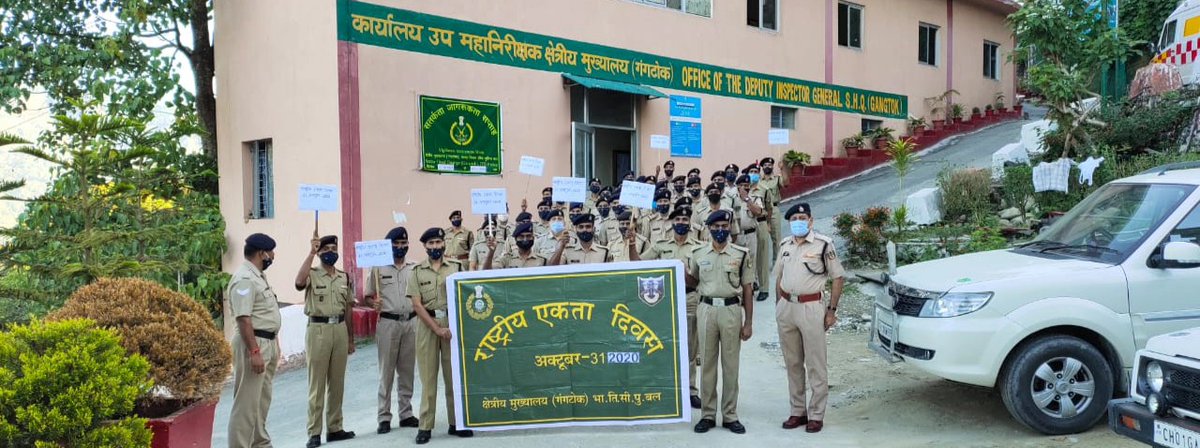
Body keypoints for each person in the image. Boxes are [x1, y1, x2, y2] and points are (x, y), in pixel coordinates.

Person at [773, 203, 845, 434]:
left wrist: (831, 310)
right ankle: (797, 411)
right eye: (794, 218)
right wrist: (779, 304)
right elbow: (779, 276)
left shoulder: (824, 244)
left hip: (811, 307)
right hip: (787, 307)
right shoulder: (785, 245)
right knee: (792, 363)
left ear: (811, 221)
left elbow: (838, 277)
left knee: (815, 363)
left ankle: (816, 414)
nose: (798, 221)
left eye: (802, 217)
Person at [687, 210, 755, 435]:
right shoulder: (698, 253)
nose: (720, 230)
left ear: (729, 227)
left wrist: (748, 322)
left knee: (730, 365)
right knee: (706, 364)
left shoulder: (741, 254)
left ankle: (729, 415)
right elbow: (693, 280)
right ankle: (707, 414)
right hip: (706, 310)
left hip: (731, 311)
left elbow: (747, 288)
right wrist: (675, 269)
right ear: (708, 227)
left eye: (724, 225)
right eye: (715, 226)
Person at [407, 228, 473, 444]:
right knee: (428, 379)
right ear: (425, 247)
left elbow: (466, 295)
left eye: (438, 242)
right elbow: (416, 305)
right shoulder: (416, 271)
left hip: (453, 325)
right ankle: (425, 426)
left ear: (444, 243)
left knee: (453, 377)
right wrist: (436, 329)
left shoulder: (456, 267)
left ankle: (457, 422)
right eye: (431, 243)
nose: (435, 247)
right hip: (428, 327)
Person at [636, 208, 704, 409]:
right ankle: (666, 387)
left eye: (685, 219)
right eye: (678, 219)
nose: (681, 222)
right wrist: (632, 243)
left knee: (690, 348)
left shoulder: (699, 247)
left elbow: (701, 278)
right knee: (663, 344)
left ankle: (691, 390)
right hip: (664, 301)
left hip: (689, 298)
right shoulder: (660, 245)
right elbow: (638, 263)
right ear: (672, 223)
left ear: (689, 223)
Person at [294, 235, 356, 448]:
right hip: (318, 329)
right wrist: (310, 253)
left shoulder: (343, 277)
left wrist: (350, 338)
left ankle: (335, 427)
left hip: (339, 328)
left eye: (334, 248)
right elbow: (298, 283)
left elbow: (348, 307)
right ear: (319, 253)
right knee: (317, 384)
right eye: (326, 248)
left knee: (337, 383)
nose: (331, 251)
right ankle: (314, 432)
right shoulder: (312, 273)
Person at [226, 233, 281, 448]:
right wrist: (255, 352)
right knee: (246, 405)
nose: (273, 256)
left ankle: (260, 443)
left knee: (260, 401)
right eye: (271, 252)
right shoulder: (245, 279)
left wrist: (274, 343)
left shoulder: (257, 275)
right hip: (253, 344)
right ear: (262, 253)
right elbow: (243, 318)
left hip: (266, 342)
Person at [364, 227, 420, 434]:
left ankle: (406, 414)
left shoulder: (414, 267)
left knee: (407, 371)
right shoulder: (378, 268)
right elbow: (367, 296)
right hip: (388, 323)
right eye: (396, 244)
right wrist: (373, 302)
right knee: (386, 371)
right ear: (389, 246)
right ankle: (384, 416)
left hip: (411, 323)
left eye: (403, 244)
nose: (400, 247)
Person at [746, 165, 773, 302]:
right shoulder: (743, 189)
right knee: (750, 257)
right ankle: (753, 283)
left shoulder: (764, 189)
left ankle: (764, 288)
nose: (753, 174)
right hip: (748, 225)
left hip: (760, 223)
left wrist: (768, 224)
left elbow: (769, 208)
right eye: (751, 172)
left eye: (756, 172)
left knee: (762, 257)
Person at [758, 157, 786, 250]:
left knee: (776, 239)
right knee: (762, 239)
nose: (767, 167)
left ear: (773, 167)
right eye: (765, 165)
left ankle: (777, 263)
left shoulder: (777, 178)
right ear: (762, 167)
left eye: (769, 165)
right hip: (761, 210)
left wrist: (783, 168)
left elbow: (786, 183)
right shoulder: (758, 180)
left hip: (774, 209)